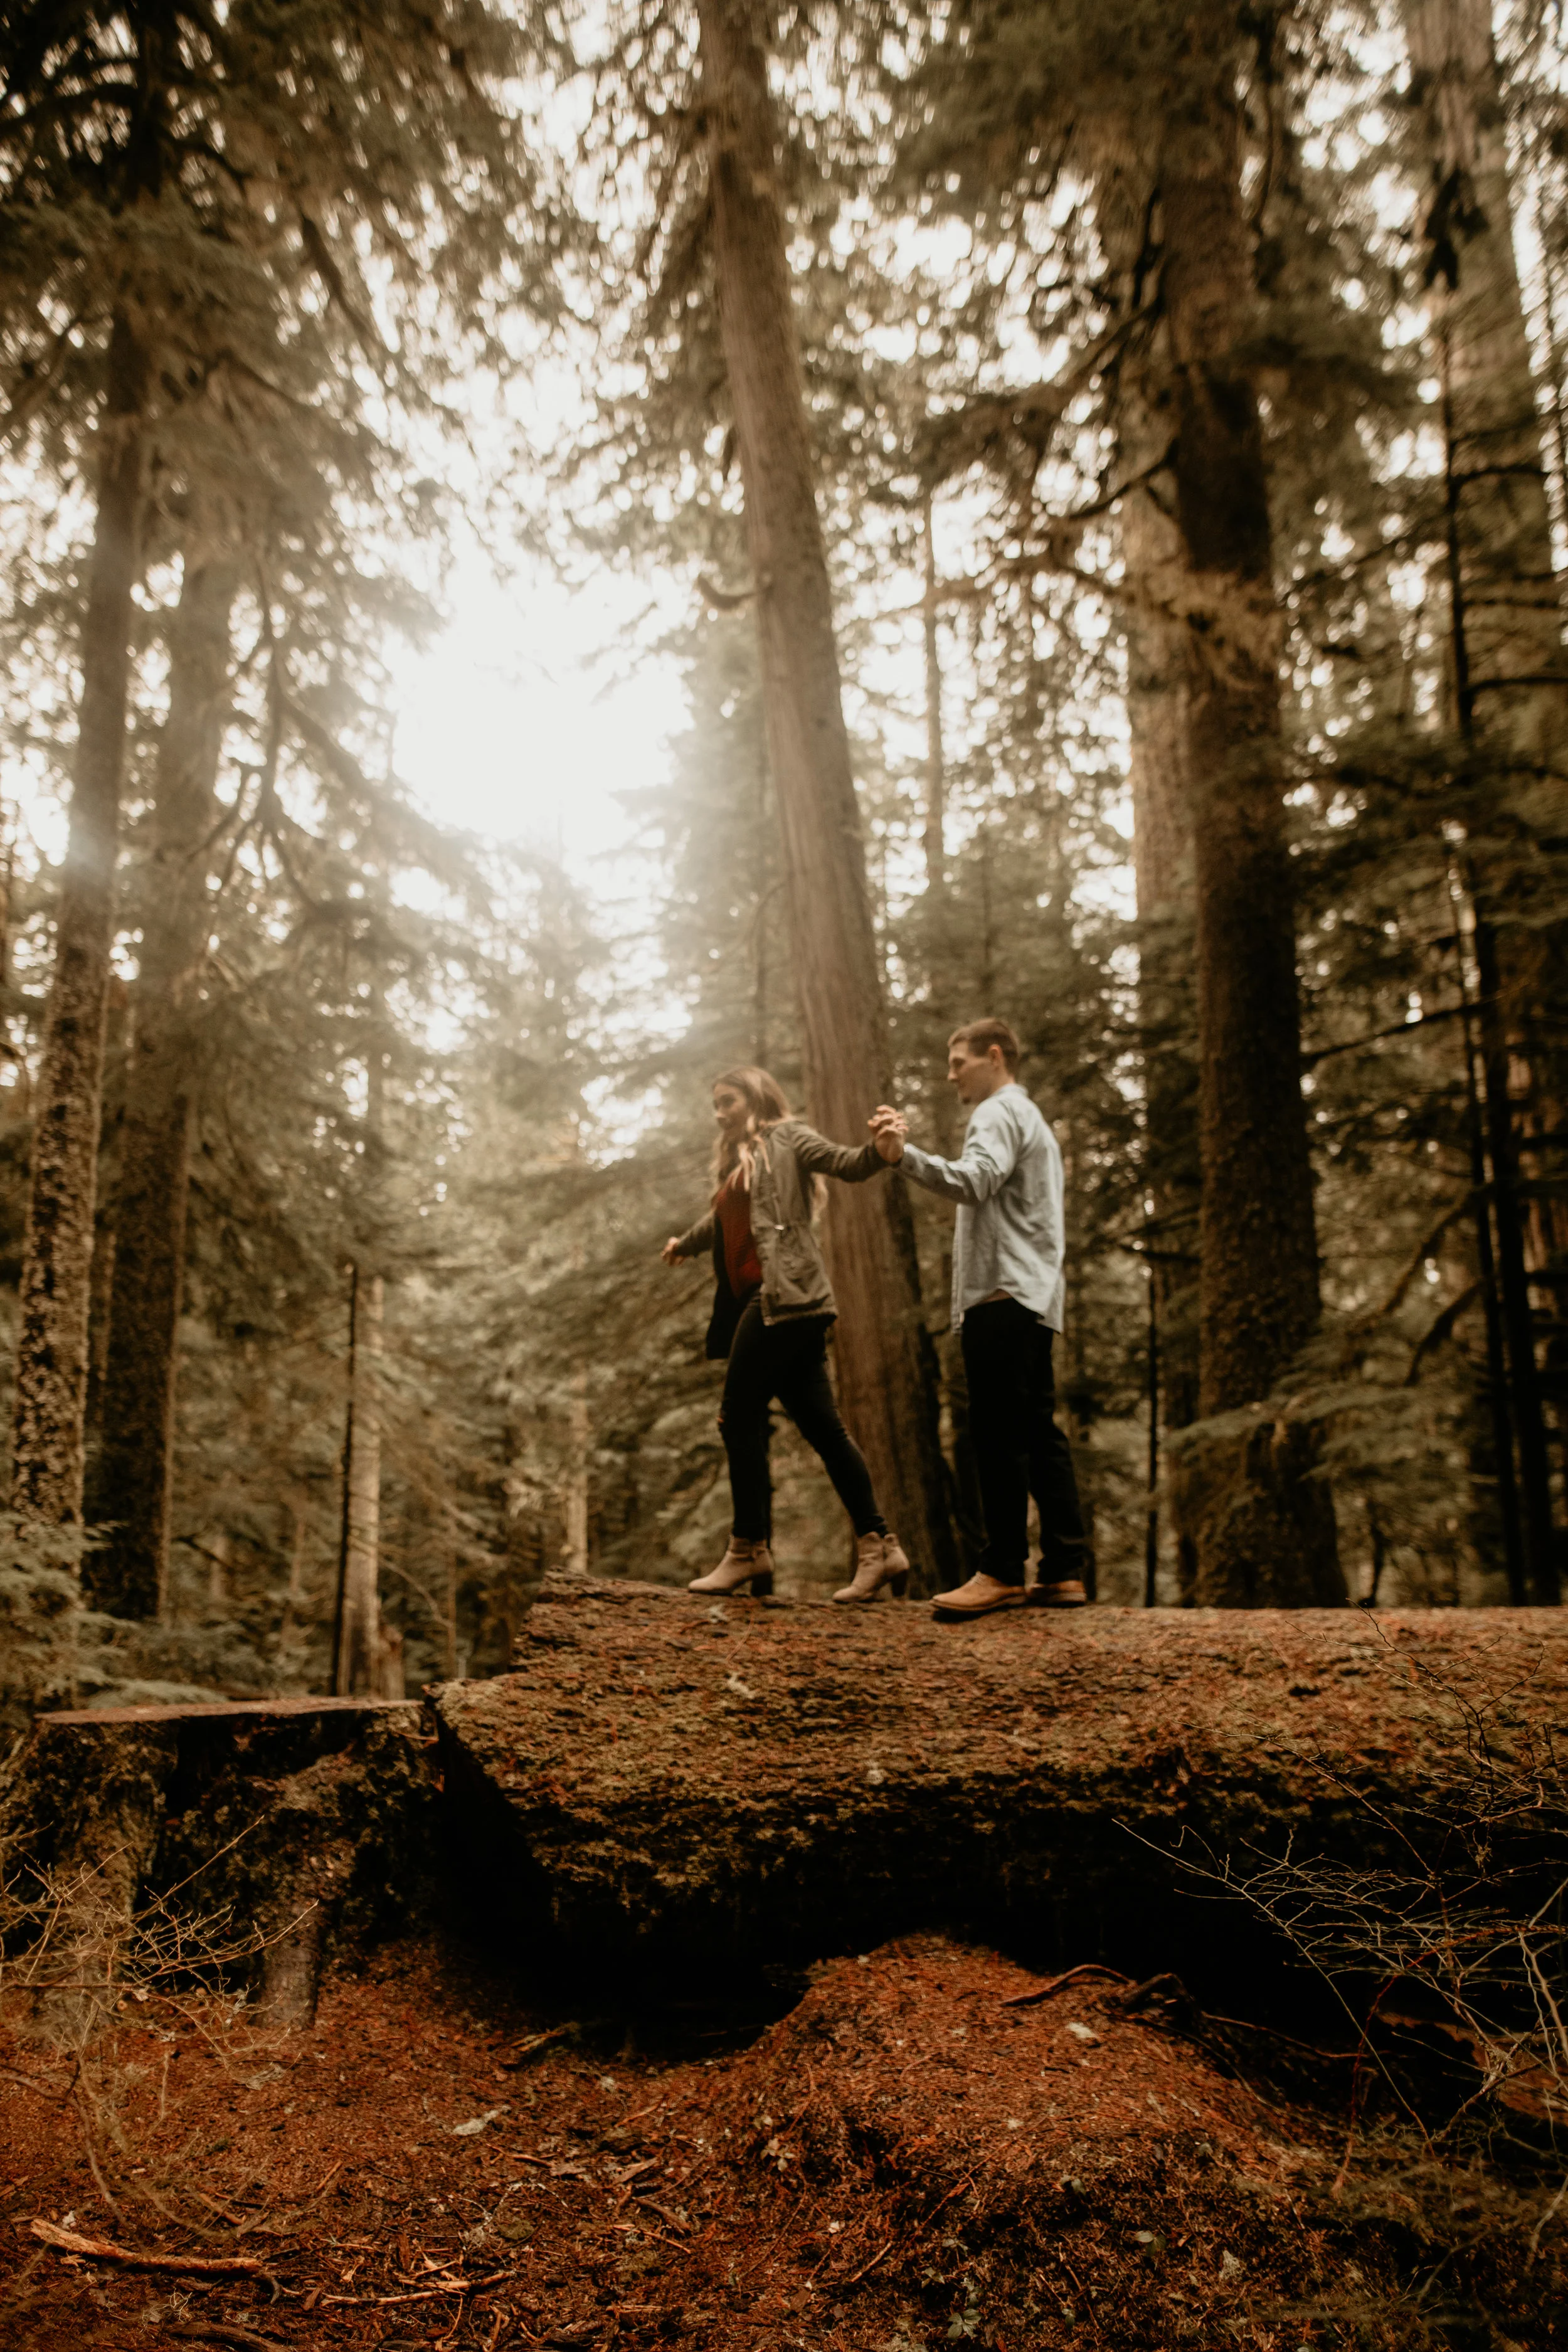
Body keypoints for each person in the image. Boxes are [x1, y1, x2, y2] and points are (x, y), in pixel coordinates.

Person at [661, 1065, 911, 1604]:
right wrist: (685, 1243)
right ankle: (881, 1546)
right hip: (783, 1307)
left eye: (728, 1101)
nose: (720, 1113)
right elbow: (728, 1223)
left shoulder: (788, 1138)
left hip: (783, 1298)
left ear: (755, 1098)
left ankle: (749, 1547)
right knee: (825, 1429)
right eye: (716, 1105)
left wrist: (883, 1151)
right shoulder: (737, 1163)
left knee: (737, 1414)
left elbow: (847, 1162)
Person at [869, 1019, 1090, 1619]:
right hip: (1034, 1295)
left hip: (1000, 1294)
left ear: (994, 1057)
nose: (950, 1074)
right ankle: (1064, 1570)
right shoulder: (1034, 1120)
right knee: (1038, 1431)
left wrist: (901, 1156)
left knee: (997, 1436)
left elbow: (975, 1179)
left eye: (959, 1061)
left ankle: (1000, 1572)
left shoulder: (996, 1113)